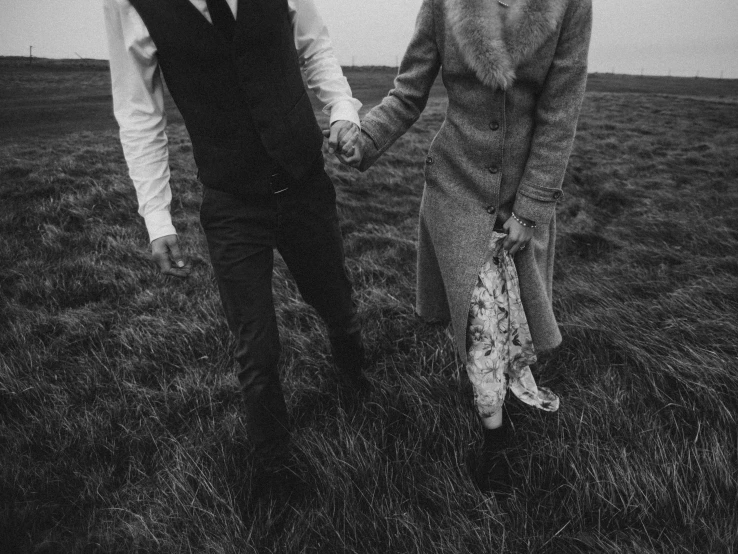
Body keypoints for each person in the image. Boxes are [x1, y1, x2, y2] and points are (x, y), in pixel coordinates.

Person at [103, 0, 366, 493]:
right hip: (232, 202)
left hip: (303, 180)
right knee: (257, 348)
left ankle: (356, 386)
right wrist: (156, 216)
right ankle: (274, 474)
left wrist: (342, 109)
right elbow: (139, 111)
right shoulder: (127, 5)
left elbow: (314, 43)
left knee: (336, 303)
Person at [336, 0, 592, 493]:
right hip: (457, 185)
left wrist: (531, 206)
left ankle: (503, 387)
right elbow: (409, 92)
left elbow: (560, 112)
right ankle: (496, 443)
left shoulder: (570, 6)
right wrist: (365, 140)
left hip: (521, 192)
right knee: (479, 318)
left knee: (509, 313)